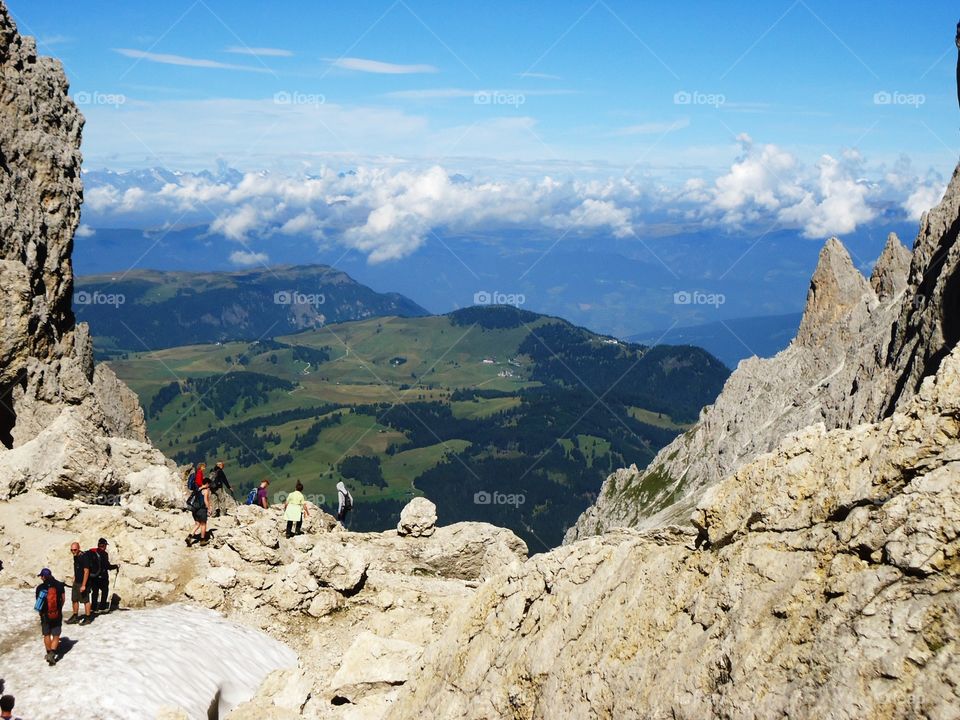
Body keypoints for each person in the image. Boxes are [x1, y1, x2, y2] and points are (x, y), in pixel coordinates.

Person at [35, 567, 66, 665]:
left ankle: (49, 653)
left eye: (41, 576)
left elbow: (38, 602)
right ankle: (52, 653)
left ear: (44, 577)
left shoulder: (40, 587)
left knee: (47, 634)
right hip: (57, 614)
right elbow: (63, 599)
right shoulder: (59, 585)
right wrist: (59, 609)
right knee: (56, 635)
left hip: (45, 615)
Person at [66, 542, 93, 625]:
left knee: (85, 600)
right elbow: (77, 568)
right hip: (76, 581)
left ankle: (88, 618)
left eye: (75, 549)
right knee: (74, 599)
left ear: (78, 548)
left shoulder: (84, 557)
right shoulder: (76, 557)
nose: (73, 551)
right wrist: (75, 576)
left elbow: (86, 571)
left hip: (83, 582)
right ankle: (75, 616)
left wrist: (84, 585)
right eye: (71, 550)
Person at [91, 537, 119, 613]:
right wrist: (115, 566)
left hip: (94, 576)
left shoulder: (93, 552)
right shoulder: (104, 554)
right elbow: (107, 566)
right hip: (103, 576)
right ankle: (102, 607)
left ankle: (93, 607)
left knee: (95, 592)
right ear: (104, 545)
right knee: (105, 591)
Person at [186, 477, 212, 546]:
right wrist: (209, 509)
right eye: (209, 484)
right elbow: (206, 501)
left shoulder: (198, 488)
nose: (209, 486)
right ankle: (202, 540)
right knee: (203, 524)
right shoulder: (205, 490)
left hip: (194, 509)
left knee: (197, 524)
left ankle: (189, 537)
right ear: (206, 484)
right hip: (201, 509)